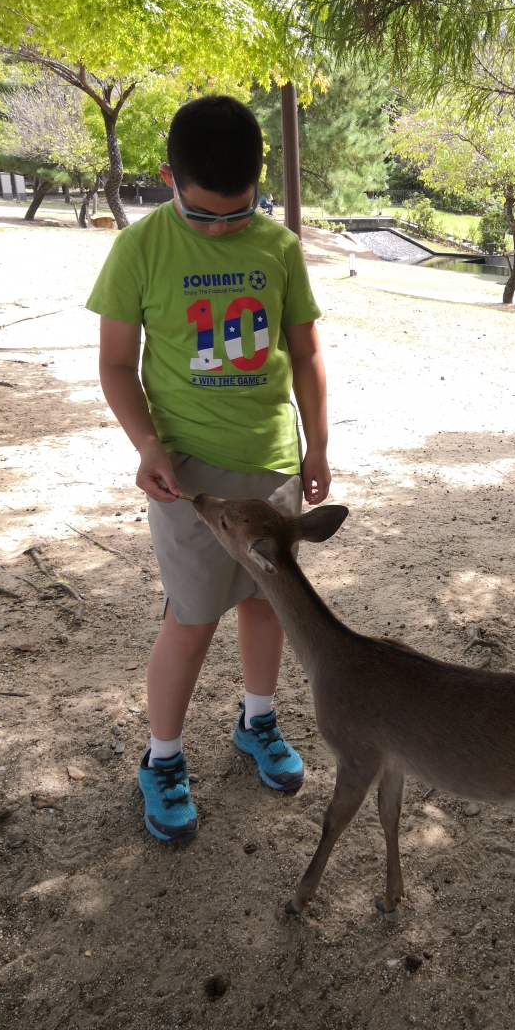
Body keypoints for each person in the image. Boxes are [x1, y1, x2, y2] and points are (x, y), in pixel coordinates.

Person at [87, 95, 330, 843]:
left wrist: (316, 444)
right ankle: (161, 760)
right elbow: (117, 364)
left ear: (260, 181)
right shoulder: (141, 249)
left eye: (238, 212)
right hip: (189, 478)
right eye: (205, 215)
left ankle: (257, 721)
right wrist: (146, 445)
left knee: (267, 604)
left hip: (272, 461)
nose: (224, 228)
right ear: (168, 178)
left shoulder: (279, 246)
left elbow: (306, 352)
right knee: (191, 621)